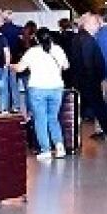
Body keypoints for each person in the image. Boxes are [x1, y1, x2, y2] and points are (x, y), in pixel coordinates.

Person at [13, 27, 69, 161]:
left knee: (40, 119)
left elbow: (20, 68)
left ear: (36, 39)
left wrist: (11, 66)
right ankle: (59, 147)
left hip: (37, 89)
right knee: (53, 118)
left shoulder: (32, 52)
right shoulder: (58, 49)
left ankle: (46, 150)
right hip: (56, 88)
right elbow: (66, 66)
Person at [76, 14, 107, 149]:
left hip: (95, 78)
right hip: (106, 75)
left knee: (101, 106)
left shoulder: (89, 37)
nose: (98, 25)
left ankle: (104, 130)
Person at [0, 9, 22, 112]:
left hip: (3, 60)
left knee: (4, 84)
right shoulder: (18, 29)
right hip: (15, 60)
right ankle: (16, 105)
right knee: (14, 84)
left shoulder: (0, 30)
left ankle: (5, 106)